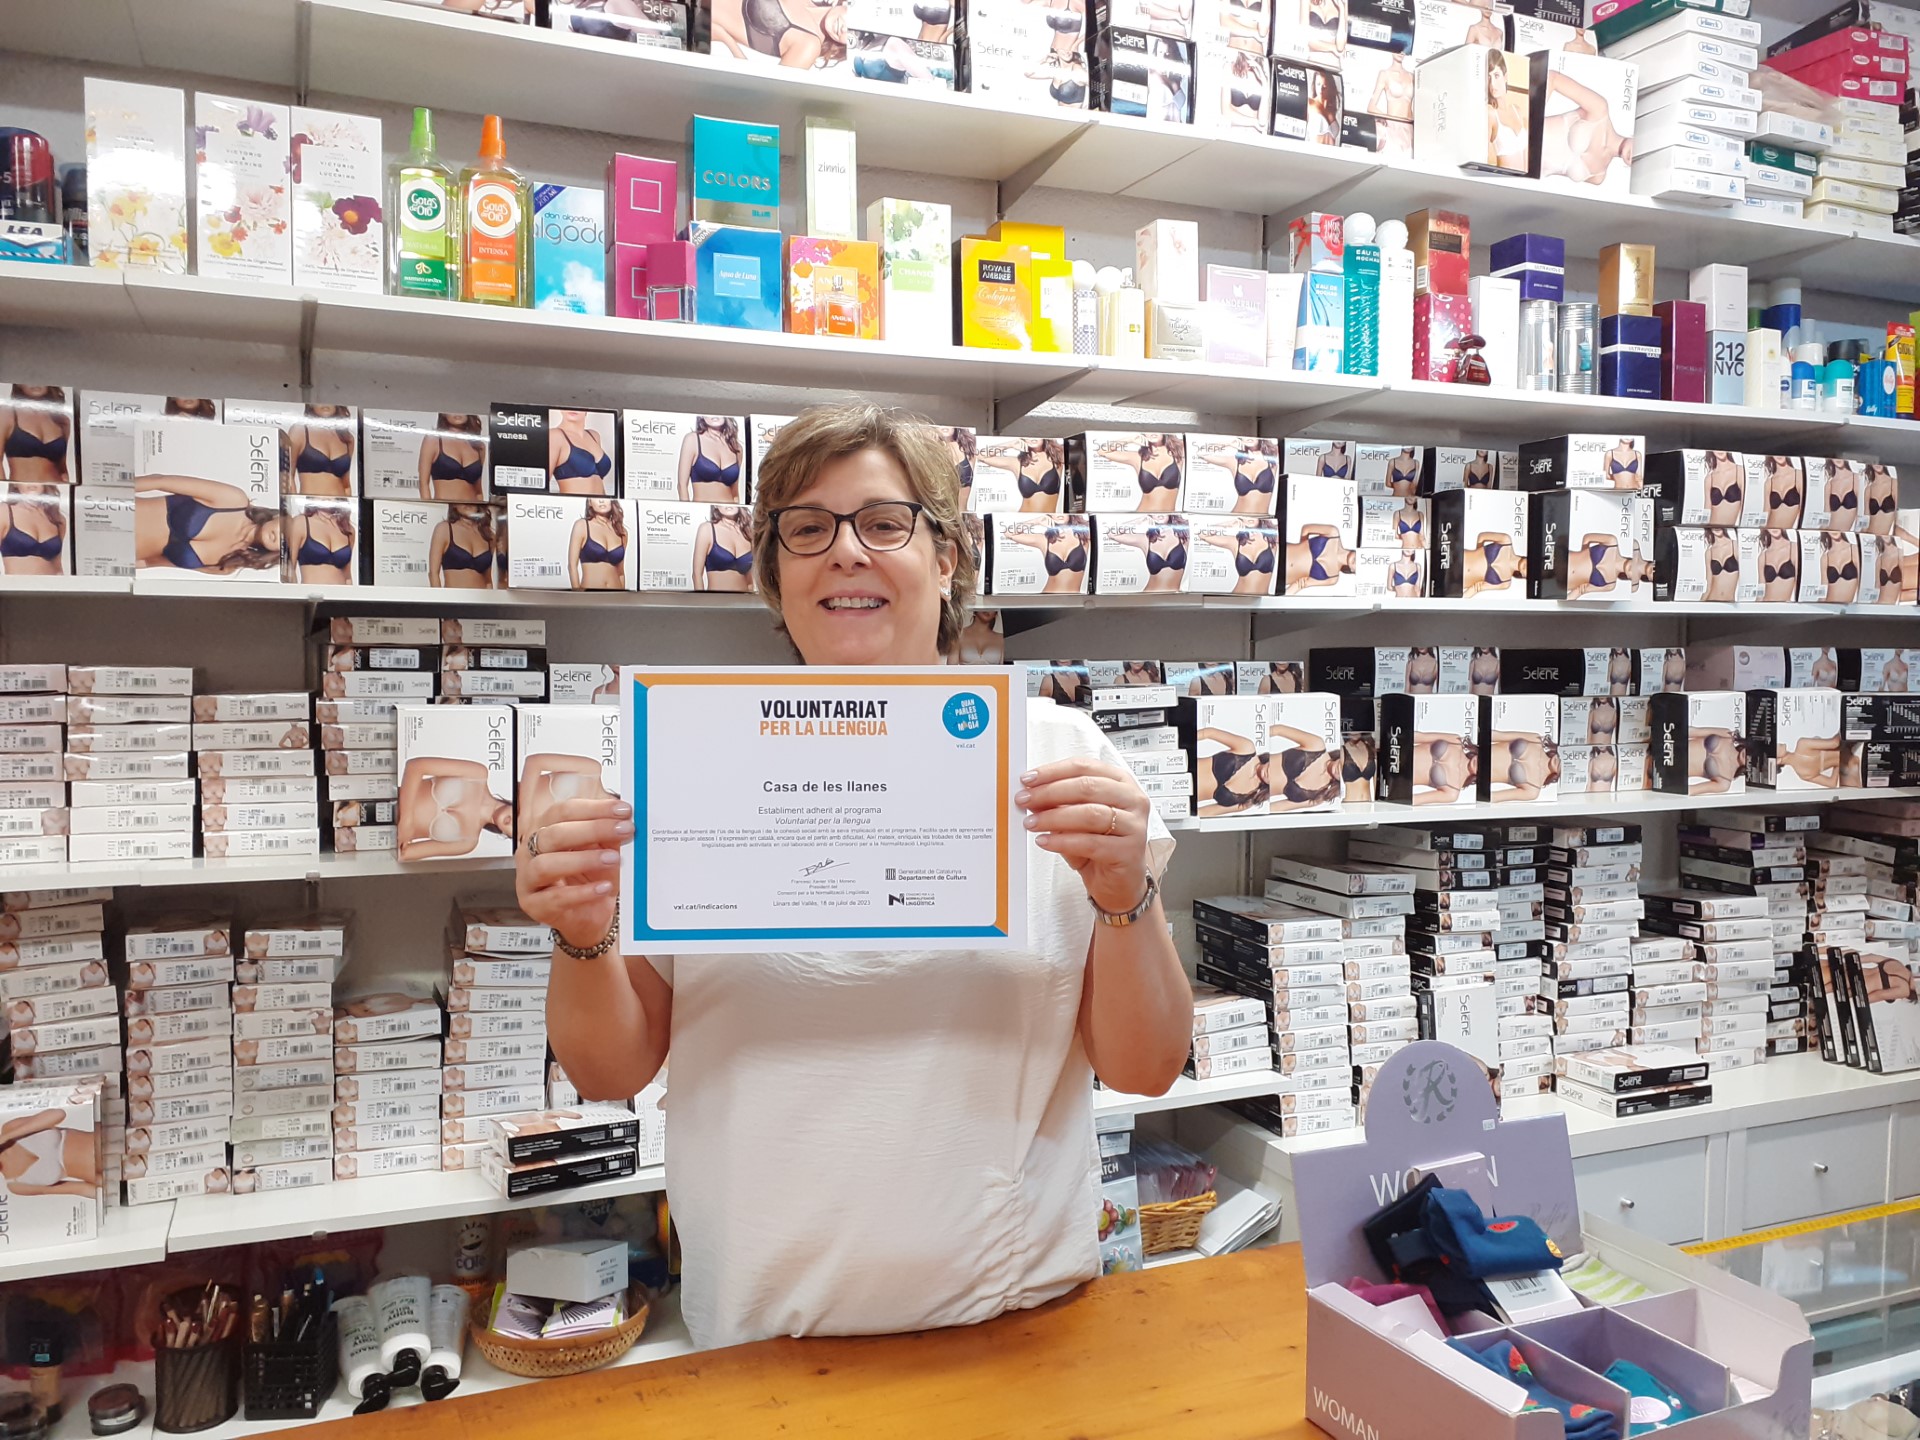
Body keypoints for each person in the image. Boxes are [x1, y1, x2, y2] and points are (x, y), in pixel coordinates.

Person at [520, 401, 1187, 1351]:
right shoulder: (686, 761)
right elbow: (609, 1070)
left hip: (1011, 1323)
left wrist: (1127, 897)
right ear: (774, 572)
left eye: (884, 523)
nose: (845, 553)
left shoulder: (1059, 760)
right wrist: (581, 932)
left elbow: (1146, 1067)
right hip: (760, 1328)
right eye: (807, 529)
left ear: (946, 557)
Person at [134, 474, 281, 575]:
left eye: (287, 543)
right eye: (286, 529)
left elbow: (150, 562)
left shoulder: (228, 564)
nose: (281, 536)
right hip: (123, 511)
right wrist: (120, 488)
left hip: (125, 552)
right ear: (281, 517)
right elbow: (159, 481)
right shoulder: (234, 500)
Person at [397, 753, 513, 860]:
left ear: (508, 835)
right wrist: (406, 819)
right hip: (387, 794)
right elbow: (416, 766)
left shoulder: (468, 843)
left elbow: (403, 854)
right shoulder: (477, 774)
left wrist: (400, 836)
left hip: (390, 832)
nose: (514, 822)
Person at [1539, 68, 1631, 186]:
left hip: (1521, 167)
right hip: (1518, 132)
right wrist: (1529, 117)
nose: (1634, 157)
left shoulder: (1598, 176)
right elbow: (1552, 78)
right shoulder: (1599, 109)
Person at [709, 0, 849, 67]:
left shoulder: (808, 46)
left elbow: (764, 94)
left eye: (851, 37)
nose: (844, 29)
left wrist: (723, 37)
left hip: (701, 16)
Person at [0, 1109, 100, 1196]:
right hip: (102, 1173)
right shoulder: (15, 1186)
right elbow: (78, 1189)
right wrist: (105, 1193)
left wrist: (7, 1137)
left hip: (104, 1140)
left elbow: (58, 1114)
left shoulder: (9, 1129)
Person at [518, 753, 615, 841]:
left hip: (519, 833)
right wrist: (525, 815)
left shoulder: (587, 827)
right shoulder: (592, 770)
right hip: (514, 798)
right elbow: (534, 762)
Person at [0, 386, 70, 485]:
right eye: (29, 378)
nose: (35, 384)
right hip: (22, 492)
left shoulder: (62, 420)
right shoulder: (7, 413)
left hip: (56, 491)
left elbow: (63, 467)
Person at [1096, 435, 1183, 512]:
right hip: (1142, 516)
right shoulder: (1138, 458)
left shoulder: (1178, 450)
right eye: (1148, 430)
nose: (1153, 433)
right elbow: (1102, 451)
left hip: (1167, 520)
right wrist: (1130, 439)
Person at [286, 403, 356, 496]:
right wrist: (292, 503)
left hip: (341, 503)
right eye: (319, 399)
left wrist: (350, 504)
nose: (325, 403)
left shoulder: (347, 438)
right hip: (311, 504)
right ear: (310, 404)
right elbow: (288, 476)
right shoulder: (299, 431)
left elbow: (346, 485)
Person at [1268, 723, 1342, 810]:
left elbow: (1278, 808)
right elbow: (1278, 730)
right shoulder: (1317, 745)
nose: (1340, 769)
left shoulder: (1319, 795)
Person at [1005, 519, 1090, 594]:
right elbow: (1009, 533)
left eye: (1061, 512)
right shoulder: (1044, 540)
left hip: (1072, 602)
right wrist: (1036, 521)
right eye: (1055, 513)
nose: (1059, 515)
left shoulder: (1084, 535)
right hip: (1045, 601)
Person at [978, 440, 1064, 513]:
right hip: (1020, 518)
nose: (1033, 439)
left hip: (1046, 523)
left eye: (1036, 435)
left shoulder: (1057, 457)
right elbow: (980, 456)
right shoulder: (1017, 463)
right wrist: (1010, 444)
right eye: (1028, 436)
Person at [1196, 726, 1267, 815]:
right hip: (1184, 766)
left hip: (1184, 794)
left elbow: (1207, 812)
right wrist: (1183, 741)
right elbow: (1209, 733)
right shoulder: (1247, 748)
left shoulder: (1249, 799)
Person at [1105, 519, 1188, 593]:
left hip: (1174, 599)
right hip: (1147, 599)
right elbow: (1112, 534)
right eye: (1154, 513)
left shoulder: (1183, 533)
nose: (1159, 515)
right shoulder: (1146, 539)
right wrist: (1139, 520)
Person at [419, 413, 487, 502]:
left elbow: (478, 491)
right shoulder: (433, 440)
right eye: (453, 409)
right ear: (444, 414)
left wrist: (481, 509)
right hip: (444, 507)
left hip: (472, 508)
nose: (457, 413)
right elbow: (423, 483)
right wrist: (429, 507)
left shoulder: (479, 446)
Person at [0, 485, 66, 576]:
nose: (32, 485)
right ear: (15, 484)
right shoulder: (4, 512)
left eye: (37, 479)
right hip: (17, 584)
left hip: (52, 584)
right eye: (25, 479)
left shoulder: (58, 519)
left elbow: (58, 568)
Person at [1197, 522, 1276, 596]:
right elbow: (1202, 535)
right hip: (1235, 601)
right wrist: (1227, 524)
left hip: (1261, 602)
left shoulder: (1272, 538)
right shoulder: (1236, 542)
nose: (1249, 519)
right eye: (1245, 516)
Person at [285, 503, 355, 585]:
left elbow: (347, 577)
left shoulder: (348, 529)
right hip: (311, 592)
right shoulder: (300, 522)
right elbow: (289, 570)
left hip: (341, 592)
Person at [430, 505, 497, 590]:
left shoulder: (488, 536)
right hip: (454, 597)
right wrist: (439, 597)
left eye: (470, 500)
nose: (467, 504)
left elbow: (488, 581)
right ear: (454, 505)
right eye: (462, 501)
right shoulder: (444, 529)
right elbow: (433, 574)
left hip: (483, 597)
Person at [679, 417, 745, 503]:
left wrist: (738, 508)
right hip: (701, 509)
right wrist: (688, 510)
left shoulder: (736, 447)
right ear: (702, 416)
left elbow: (735, 493)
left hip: (729, 506)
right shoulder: (692, 439)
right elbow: (682, 486)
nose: (714, 416)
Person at [570, 498, 630, 591]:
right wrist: (577, 594)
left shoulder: (621, 532)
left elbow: (621, 572)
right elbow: (572, 566)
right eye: (596, 498)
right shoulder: (582, 525)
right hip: (590, 595)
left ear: (612, 501)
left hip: (616, 593)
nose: (601, 501)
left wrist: (623, 594)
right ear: (590, 502)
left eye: (605, 498)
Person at [694, 504, 755, 593]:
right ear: (716, 505)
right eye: (723, 503)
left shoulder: (748, 533)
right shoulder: (707, 529)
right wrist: (701, 600)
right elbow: (697, 575)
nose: (728, 505)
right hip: (716, 600)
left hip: (745, 599)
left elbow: (750, 581)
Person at [550, 410, 614, 495]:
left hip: (599, 501)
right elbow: (540, 486)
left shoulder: (594, 436)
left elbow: (599, 482)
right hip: (573, 502)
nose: (572, 408)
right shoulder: (554, 435)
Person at [1489, 730, 1559, 801]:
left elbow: (1493, 797)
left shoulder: (1533, 790)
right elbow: (1499, 735)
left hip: (1482, 775)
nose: (1560, 761)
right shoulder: (1535, 740)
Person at [1486, 52, 1528, 171]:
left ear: (1505, 77)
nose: (1492, 84)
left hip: (1525, 180)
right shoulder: (1491, 113)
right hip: (1503, 180)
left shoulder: (1517, 110)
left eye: (1496, 75)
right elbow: (1480, 157)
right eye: (1488, 77)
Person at [1285, 524, 1355, 593]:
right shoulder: (1333, 533)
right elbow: (1306, 529)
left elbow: (1301, 584)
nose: (1358, 562)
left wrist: (1284, 596)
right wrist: (1302, 547)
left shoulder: (1332, 579)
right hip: (1280, 551)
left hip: (1281, 576)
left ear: (1353, 571)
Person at [1414, 729, 1478, 803]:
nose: (1478, 763)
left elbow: (1416, 800)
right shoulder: (1455, 741)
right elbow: (1420, 736)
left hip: (1403, 777)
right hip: (1403, 749)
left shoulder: (1452, 792)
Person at [1461, 530, 1522, 596]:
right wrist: (1478, 553)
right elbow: (1482, 536)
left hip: (1457, 581)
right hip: (1457, 557)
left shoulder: (1505, 583)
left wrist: (1463, 599)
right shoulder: (1506, 540)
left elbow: (1477, 588)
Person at [1688, 729, 1746, 794]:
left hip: (1679, 769)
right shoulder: (1727, 735)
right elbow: (1694, 731)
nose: (1747, 756)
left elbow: (1691, 790)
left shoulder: (1725, 782)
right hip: (1678, 744)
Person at [1703, 451, 1745, 526]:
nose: (1720, 451)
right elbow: (1707, 511)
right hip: (1711, 527)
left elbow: (1744, 506)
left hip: (1731, 528)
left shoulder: (1739, 471)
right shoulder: (1709, 478)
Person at [1368, 54, 1413, 120]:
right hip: (1393, 123)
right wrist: (1387, 119)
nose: (1401, 52)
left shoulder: (1411, 76)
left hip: (1409, 124)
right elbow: (1371, 107)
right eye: (1398, 49)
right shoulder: (1384, 74)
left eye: (1404, 50)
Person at [1764, 456, 1805, 528]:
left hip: (1788, 530)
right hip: (1768, 530)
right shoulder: (1769, 482)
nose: (1779, 455)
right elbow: (1765, 514)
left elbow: (1804, 512)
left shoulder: (1799, 475)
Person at [1760, 528, 1799, 603]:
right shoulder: (1763, 555)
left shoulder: (1794, 547)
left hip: (1786, 606)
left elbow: (1799, 583)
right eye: (1771, 525)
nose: (1774, 527)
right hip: (1765, 606)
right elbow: (1761, 590)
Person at [1823, 532, 1862, 606]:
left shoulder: (1854, 549)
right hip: (1828, 607)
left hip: (1848, 609)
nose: (1834, 531)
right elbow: (1823, 591)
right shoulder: (1825, 557)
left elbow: (1862, 584)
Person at [1704, 526, 1739, 604]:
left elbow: (1746, 575)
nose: (1716, 527)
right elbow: (1708, 586)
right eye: (1713, 526)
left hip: (1730, 603)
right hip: (1711, 601)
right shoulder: (1709, 552)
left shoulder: (1735, 545)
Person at [1866, 464, 1898, 536]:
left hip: (1885, 536)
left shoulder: (1893, 482)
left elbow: (1897, 513)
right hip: (1869, 536)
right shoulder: (1869, 489)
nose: (1878, 465)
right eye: (1874, 463)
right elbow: (1866, 518)